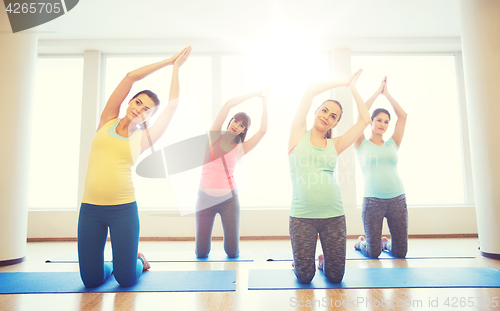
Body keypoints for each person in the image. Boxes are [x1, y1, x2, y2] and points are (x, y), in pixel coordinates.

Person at [77, 46, 191, 287]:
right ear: (130, 101)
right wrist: (168, 60)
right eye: (138, 102)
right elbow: (129, 77)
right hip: (90, 210)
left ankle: (138, 261)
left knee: (126, 279)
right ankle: (115, 264)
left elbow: (172, 106)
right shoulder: (107, 119)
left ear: (148, 116)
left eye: (146, 109)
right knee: (91, 280)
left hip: (123, 211)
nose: (139, 109)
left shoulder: (143, 138)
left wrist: (176, 69)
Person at [288, 69, 370, 284]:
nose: (327, 116)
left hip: (333, 215)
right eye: (324, 111)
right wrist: (344, 81)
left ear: (335, 123)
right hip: (302, 217)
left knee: (336, 277)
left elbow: (365, 119)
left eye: (333, 116)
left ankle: (322, 262)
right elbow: (309, 91)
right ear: (316, 111)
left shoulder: (336, 144)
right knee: (305, 277)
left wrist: (353, 88)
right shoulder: (298, 135)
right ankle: (300, 263)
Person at [195, 89, 269, 258]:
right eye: (236, 121)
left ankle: (233, 248)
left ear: (243, 131)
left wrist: (264, 101)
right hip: (204, 199)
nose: (237, 125)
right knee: (201, 253)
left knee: (232, 252)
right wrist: (254, 93)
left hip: (229, 201)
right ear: (230, 121)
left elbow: (263, 131)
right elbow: (228, 104)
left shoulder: (240, 148)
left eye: (242, 126)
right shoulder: (213, 137)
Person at [353, 77, 408, 259]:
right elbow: (361, 115)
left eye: (386, 121)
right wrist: (377, 93)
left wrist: (387, 94)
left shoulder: (393, 143)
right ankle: (361, 243)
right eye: (378, 120)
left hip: (397, 200)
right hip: (372, 202)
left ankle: (386, 243)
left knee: (400, 252)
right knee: (373, 253)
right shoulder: (361, 143)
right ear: (371, 121)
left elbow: (403, 116)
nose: (382, 124)